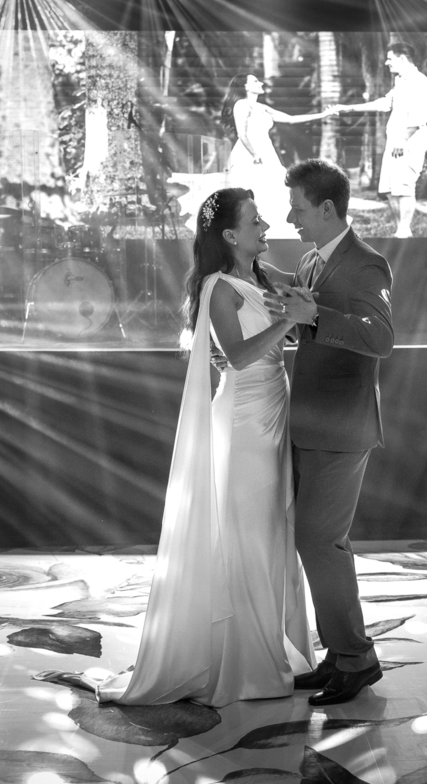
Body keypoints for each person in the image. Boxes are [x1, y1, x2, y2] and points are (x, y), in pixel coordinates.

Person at [95, 188, 316, 706]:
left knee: (269, 533)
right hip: (243, 425)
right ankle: (245, 664)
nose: (266, 227)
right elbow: (236, 355)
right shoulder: (219, 287)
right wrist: (291, 321)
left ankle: (265, 651)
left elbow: (307, 290)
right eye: (256, 221)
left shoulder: (259, 276)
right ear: (231, 235)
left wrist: (302, 303)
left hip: (273, 412)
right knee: (247, 536)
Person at [262, 158, 394, 705]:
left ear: (326, 208)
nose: (290, 218)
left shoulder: (367, 264)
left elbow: (381, 338)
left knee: (318, 540)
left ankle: (357, 659)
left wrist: (314, 317)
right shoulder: (311, 261)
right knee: (320, 542)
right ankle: (340, 658)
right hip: (309, 423)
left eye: (297, 208)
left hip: (342, 428)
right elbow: (306, 317)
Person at [329, 42, 427, 237]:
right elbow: (385, 103)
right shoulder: (400, 81)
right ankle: (401, 230)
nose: (387, 63)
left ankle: (404, 231)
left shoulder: (421, 83)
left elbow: (419, 118)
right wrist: (349, 108)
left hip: (409, 142)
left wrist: (402, 140)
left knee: (404, 187)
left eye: (390, 58)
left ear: (402, 59)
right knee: (389, 188)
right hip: (395, 142)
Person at [221, 73, 332, 239]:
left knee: (277, 188)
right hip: (249, 153)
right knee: (253, 190)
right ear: (245, 86)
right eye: (255, 81)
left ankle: (272, 231)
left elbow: (291, 119)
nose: (260, 83)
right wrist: (254, 155)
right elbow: (242, 134)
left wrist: (323, 115)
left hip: (266, 151)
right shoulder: (242, 105)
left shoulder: (262, 107)